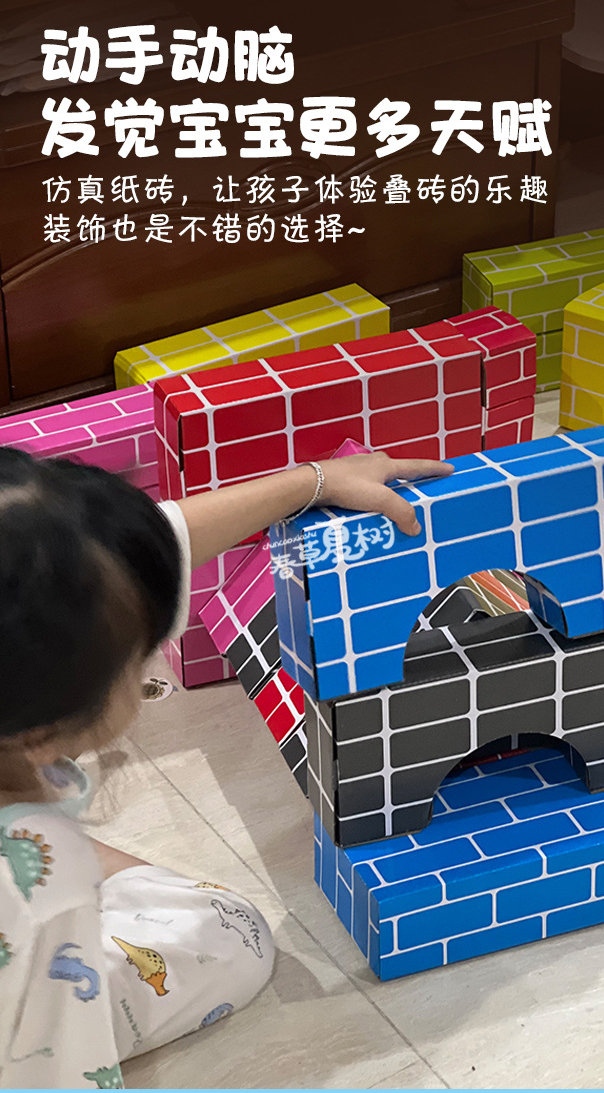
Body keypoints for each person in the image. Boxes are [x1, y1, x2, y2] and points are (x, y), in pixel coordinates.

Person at [0, 447, 453, 1090]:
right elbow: (56, 1067)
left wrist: (314, 482)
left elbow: (136, 550)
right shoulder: (41, 897)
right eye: (141, 657)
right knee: (231, 934)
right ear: (40, 732)